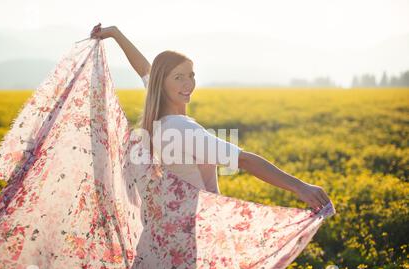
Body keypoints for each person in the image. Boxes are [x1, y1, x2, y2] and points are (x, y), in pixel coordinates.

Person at [90, 24, 331, 211]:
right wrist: (300, 187)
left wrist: (115, 33)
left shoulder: (159, 120)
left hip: (161, 233)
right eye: (178, 77)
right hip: (188, 235)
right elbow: (244, 160)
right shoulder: (181, 129)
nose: (188, 84)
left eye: (191, 75)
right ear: (160, 84)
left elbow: (144, 68)